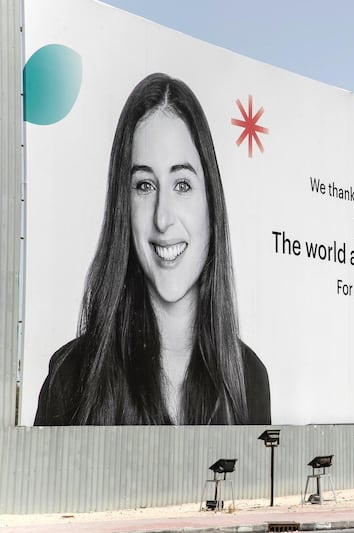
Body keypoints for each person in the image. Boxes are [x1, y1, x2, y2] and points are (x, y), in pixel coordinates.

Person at [35, 73, 271, 425]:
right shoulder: (71, 375)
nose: (163, 218)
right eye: (144, 185)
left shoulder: (248, 377)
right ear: (122, 207)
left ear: (211, 203)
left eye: (182, 184)